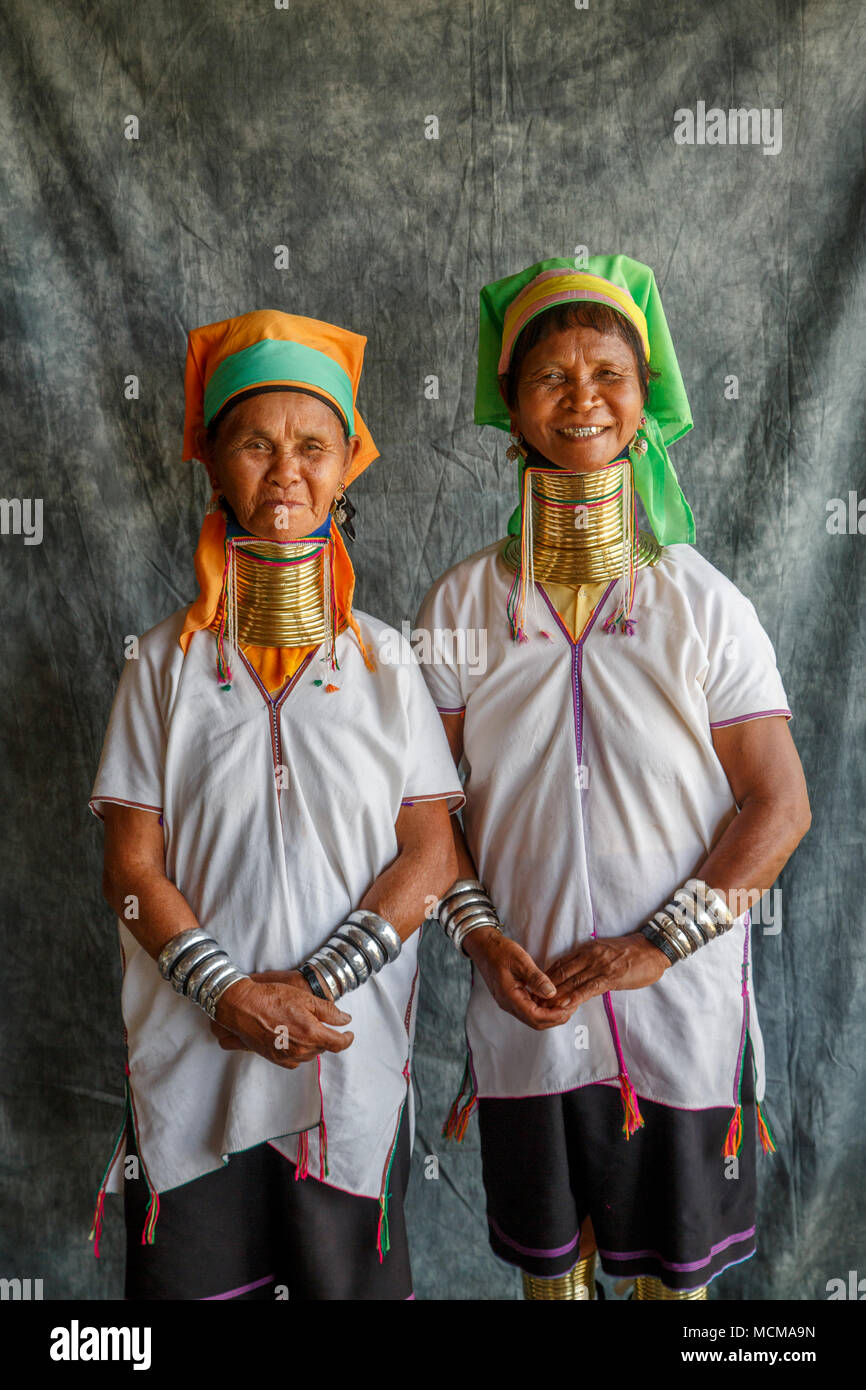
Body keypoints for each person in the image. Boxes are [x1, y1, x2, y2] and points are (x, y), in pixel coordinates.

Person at [416, 255, 811, 1300]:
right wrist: (478, 935)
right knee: (552, 1282)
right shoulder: (461, 607)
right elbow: (421, 810)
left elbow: (777, 803)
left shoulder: (699, 601)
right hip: (526, 1005)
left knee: (672, 1286)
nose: (581, 396)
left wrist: (653, 945)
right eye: (551, 375)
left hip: (676, 1012)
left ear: (645, 405)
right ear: (510, 408)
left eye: (607, 374)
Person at [88, 309, 462, 1300]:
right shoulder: (162, 661)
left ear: (346, 465)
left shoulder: (385, 660)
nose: (286, 472)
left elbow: (431, 854)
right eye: (256, 443)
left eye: (312, 446)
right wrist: (230, 995)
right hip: (193, 1046)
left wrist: (313, 987)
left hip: (345, 1045)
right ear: (213, 460)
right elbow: (130, 865)